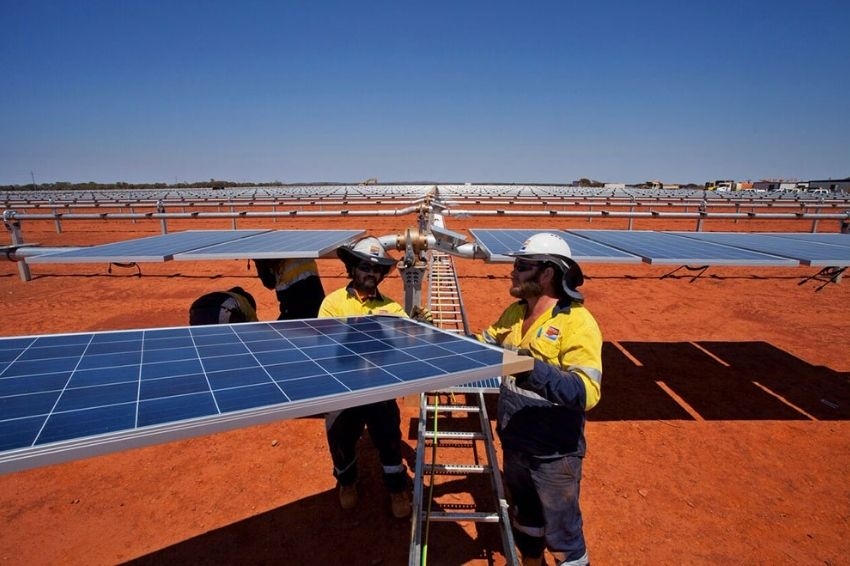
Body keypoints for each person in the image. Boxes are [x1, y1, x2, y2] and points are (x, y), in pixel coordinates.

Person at [477, 232, 602, 566]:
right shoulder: (515, 313)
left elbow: (587, 392)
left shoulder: (577, 323)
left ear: (547, 273)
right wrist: (433, 337)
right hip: (515, 443)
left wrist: (531, 369)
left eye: (522, 265)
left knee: (562, 536)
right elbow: (482, 345)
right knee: (526, 519)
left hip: (554, 455)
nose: (512, 271)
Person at [317, 235, 430, 519]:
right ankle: (347, 482)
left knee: (389, 439)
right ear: (353, 268)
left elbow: (405, 349)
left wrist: (418, 330)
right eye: (365, 266)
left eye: (377, 268)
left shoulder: (392, 308)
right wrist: (368, 331)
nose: (371, 273)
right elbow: (324, 346)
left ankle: (396, 488)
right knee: (340, 440)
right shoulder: (332, 304)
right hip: (343, 388)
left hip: (379, 388)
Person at [254, 258, 325, 320]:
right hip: (296, 294)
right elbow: (269, 283)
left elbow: (269, 282)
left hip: (302, 292)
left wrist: (261, 262)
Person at [188, 286, 259, 325]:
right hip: (222, 309)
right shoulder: (245, 303)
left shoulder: (227, 295)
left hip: (195, 309)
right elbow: (254, 328)